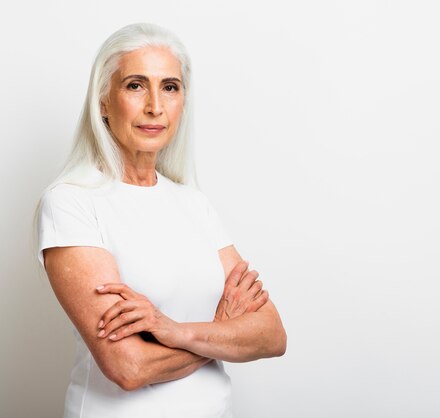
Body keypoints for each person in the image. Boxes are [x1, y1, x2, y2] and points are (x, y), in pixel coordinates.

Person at [33, 23, 286, 418]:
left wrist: (175, 331)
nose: (155, 105)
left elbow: (271, 334)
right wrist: (221, 332)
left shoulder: (193, 204)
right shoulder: (71, 203)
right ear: (103, 100)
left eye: (170, 86)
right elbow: (128, 367)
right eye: (135, 85)